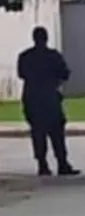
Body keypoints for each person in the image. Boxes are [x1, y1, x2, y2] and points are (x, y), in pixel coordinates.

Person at [17, 27, 79, 176]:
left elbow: (21, 74)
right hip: (50, 98)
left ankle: (42, 164)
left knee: (38, 133)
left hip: (32, 99)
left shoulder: (25, 56)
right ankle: (62, 163)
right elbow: (65, 74)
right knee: (56, 132)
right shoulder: (53, 56)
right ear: (46, 38)